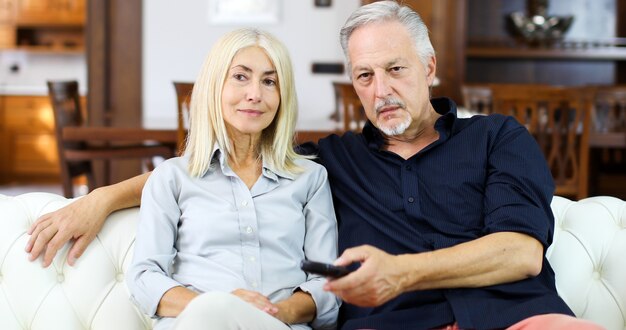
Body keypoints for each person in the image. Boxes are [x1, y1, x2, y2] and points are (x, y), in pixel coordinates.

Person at [26, 2, 603, 329]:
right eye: (365, 76)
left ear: (429, 67)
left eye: (396, 70)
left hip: (516, 321)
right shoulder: (332, 161)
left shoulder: (498, 137)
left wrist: (402, 272)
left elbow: (521, 250)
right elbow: (225, 165)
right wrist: (99, 199)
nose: (382, 90)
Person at [127, 28, 339, 330]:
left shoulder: (311, 179)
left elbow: (325, 284)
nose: (255, 94)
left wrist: (273, 313)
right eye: (240, 77)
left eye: (269, 81)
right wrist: (222, 306)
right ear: (215, 86)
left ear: (282, 96)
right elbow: (144, 278)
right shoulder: (171, 179)